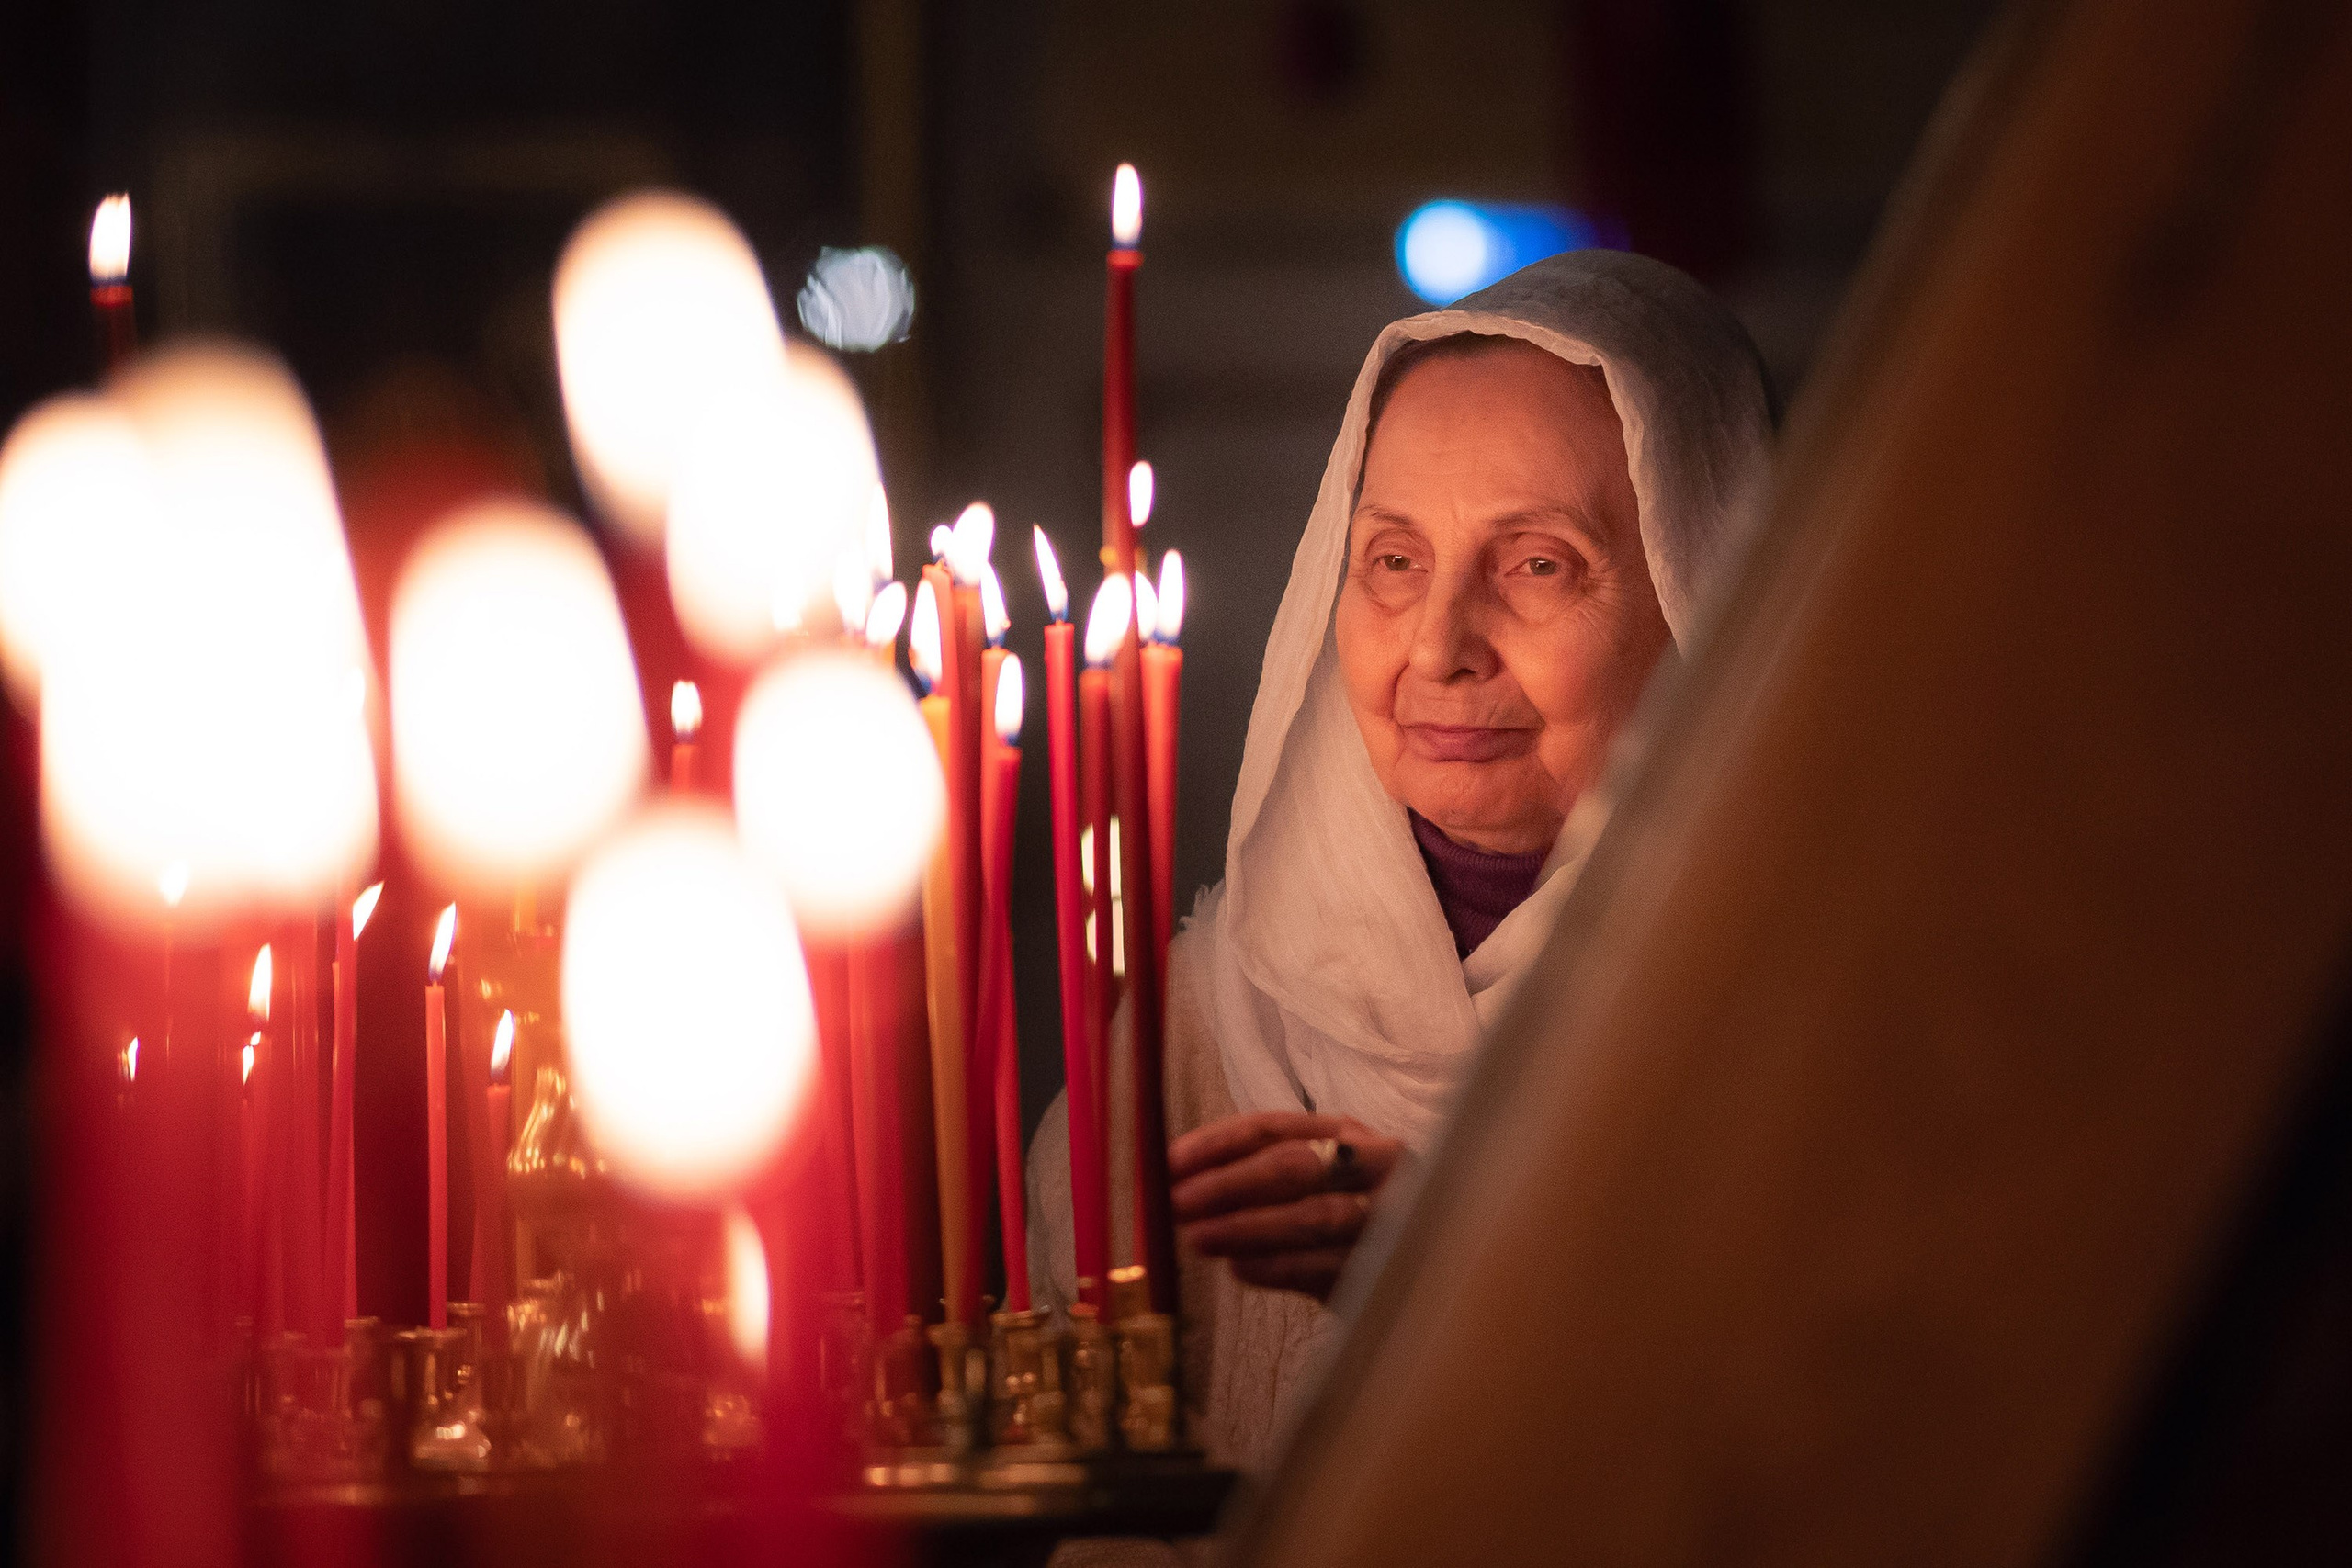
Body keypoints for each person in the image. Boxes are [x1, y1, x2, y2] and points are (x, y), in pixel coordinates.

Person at [1030, 247, 1774, 1473]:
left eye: (1538, 563)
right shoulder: (1188, 1046)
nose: (1439, 647)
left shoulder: (1813, 1026)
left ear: (1704, 586)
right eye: (1393, 560)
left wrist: (1470, 1287)